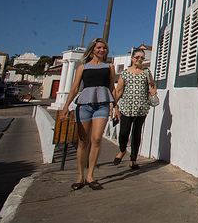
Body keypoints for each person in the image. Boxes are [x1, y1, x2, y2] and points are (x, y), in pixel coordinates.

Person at [60, 37, 116, 190]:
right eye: (99, 48)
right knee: (83, 141)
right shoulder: (83, 67)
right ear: (92, 49)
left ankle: (90, 174)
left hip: (102, 105)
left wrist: (115, 106)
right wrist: (66, 107)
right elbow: (74, 88)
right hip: (84, 105)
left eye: (104, 48)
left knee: (96, 139)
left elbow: (112, 88)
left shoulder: (109, 66)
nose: (101, 50)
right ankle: (80, 176)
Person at [113, 48, 157, 169]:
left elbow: (152, 84)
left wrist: (154, 90)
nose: (139, 60)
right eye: (137, 57)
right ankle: (122, 150)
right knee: (124, 132)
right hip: (127, 108)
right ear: (132, 58)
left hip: (141, 108)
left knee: (136, 133)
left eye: (142, 58)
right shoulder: (125, 73)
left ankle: (133, 159)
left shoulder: (146, 72)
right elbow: (119, 90)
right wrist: (114, 106)